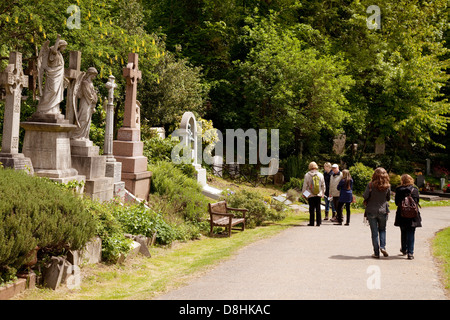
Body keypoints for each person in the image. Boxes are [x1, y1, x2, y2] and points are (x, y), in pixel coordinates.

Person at [363, 167, 391, 259]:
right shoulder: (387, 186)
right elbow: (388, 198)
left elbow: (365, 196)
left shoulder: (370, 185)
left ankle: (376, 252)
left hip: (371, 210)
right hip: (383, 210)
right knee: (382, 230)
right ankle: (383, 247)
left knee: (374, 232)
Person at [394, 174, 422, 260]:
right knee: (411, 232)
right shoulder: (415, 190)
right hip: (413, 215)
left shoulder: (399, 190)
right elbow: (416, 201)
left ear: (402, 181)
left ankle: (404, 249)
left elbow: (396, 203)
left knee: (403, 231)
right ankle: (410, 253)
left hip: (402, 214)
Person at [302, 161, 325, 226]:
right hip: (318, 194)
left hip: (310, 194)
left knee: (311, 208)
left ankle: (311, 222)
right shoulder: (320, 174)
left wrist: (304, 194)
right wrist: (322, 193)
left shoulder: (307, 175)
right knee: (318, 208)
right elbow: (323, 185)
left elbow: (305, 186)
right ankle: (319, 222)